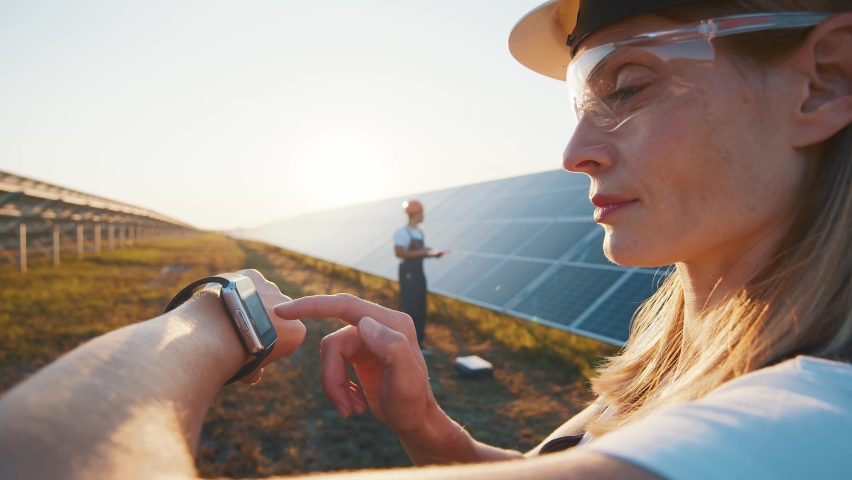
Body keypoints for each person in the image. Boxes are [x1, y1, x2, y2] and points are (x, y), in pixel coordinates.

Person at [1, 0, 851, 479]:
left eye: (627, 86)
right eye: (580, 102)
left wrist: (210, 320)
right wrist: (437, 436)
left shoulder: (809, 429)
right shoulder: (710, 377)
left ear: (823, 82)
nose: (574, 152)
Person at [393, 200, 445, 355]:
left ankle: (419, 343)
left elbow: (419, 253)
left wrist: (432, 255)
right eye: (422, 212)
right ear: (415, 214)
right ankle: (407, 343)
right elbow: (399, 253)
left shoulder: (419, 233)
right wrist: (422, 252)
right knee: (411, 308)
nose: (423, 215)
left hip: (418, 272)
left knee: (421, 307)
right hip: (408, 273)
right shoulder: (402, 232)